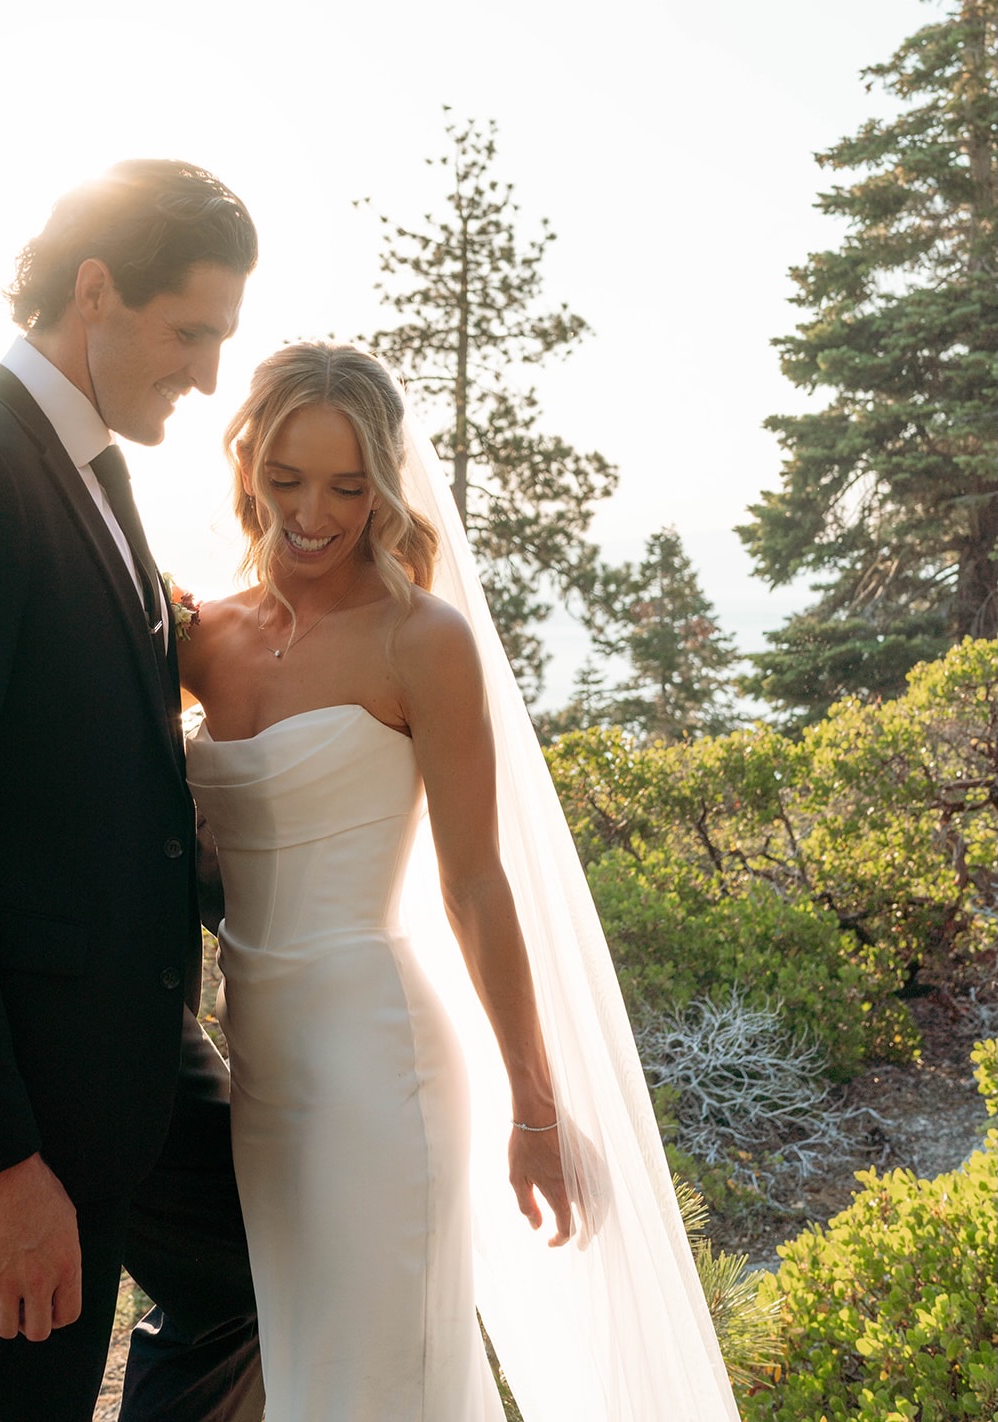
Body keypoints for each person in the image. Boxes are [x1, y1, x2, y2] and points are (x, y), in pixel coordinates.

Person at [181, 342, 742, 1420]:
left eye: (347, 486)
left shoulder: (418, 639)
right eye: (287, 478)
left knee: (373, 1383)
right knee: (311, 1373)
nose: (312, 512)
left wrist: (532, 1107)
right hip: (261, 1071)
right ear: (248, 461)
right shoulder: (202, 636)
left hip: (376, 1068)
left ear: (384, 486)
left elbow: (475, 884)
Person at [0, 159, 265, 1422]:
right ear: (93, 291)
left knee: (254, 1268)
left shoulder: (94, 468)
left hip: (136, 1058)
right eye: (189, 332)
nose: (208, 374)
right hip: (17, 1104)